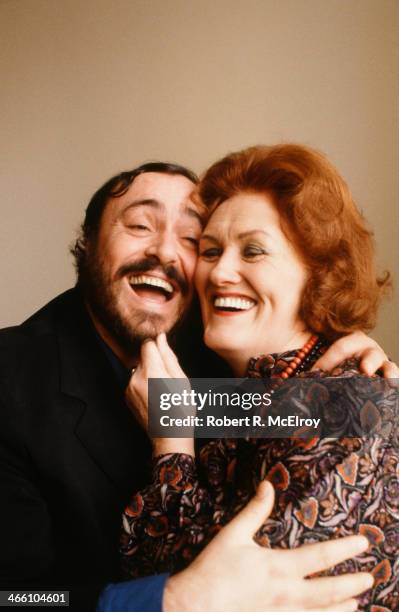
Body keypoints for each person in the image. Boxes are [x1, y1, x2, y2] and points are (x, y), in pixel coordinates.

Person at [0, 161, 395, 612]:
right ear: (88, 244)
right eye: (139, 225)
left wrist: (350, 374)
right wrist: (165, 599)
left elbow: (326, 410)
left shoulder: (220, 349)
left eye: (192, 241)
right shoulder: (12, 378)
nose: (167, 253)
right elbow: (15, 599)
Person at [122, 146, 399, 610]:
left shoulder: (350, 407)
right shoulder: (247, 394)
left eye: (253, 250)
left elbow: (209, 595)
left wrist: (171, 444)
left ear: (318, 273)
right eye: (210, 250)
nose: (219, 272)